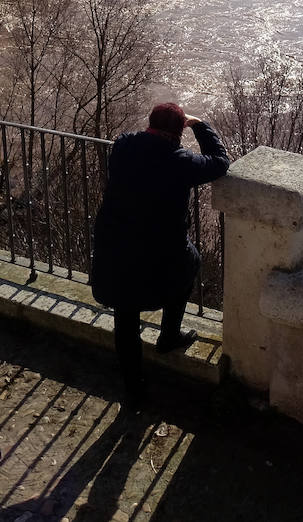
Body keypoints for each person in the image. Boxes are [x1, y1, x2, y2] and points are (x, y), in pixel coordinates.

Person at [90, 102, 230, 406]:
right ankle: (169, 336)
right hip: (160, 258)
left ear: (149, 123)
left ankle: (134, 387)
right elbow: (220, 162)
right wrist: (200, 125)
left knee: (125, 314)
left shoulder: (123, 147)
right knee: (189, 263)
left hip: (114, 250)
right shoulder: (179, 162)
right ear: (178, 133)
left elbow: (135, 140)